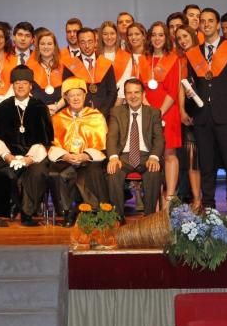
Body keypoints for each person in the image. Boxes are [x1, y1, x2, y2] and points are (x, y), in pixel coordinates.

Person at [184, 8, 227, 214]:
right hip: (203, 117)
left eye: (210, 21)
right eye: (203, 21)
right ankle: (209, 205)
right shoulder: (194, 54)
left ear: (218, 24)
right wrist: (190, 104)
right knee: (207, 165)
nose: (206, 24)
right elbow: (191, 85)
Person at [0, 65, 55, 226]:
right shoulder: (2, 108)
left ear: (31, 85)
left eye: (24, 83)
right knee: (4, 173)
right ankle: (4, 213)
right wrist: (8, 157)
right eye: (17, 83)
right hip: (9, 154)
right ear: (12, 86)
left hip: (34, 156)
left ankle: (27, 213)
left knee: (37, 173)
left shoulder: (40, 108)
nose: (21, 86)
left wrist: (29, 159)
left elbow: (45, 139)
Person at [48, 78, 109, 226]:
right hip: (66, 159)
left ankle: (95, 211)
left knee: (91, 173)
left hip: (89, 159)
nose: (75, 98)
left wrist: (85, 155)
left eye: (79, 94)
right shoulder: (57, 118)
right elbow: (52, 143)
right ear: (66, 98)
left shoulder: (96, 116)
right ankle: (67, 213)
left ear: (84, 96)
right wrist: (66, 156)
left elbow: (101, 143)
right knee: (57, 174)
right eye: (71, 95)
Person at [106, 79, 164, 217]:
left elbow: (159, 138)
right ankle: (118, 220)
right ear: (125, 95)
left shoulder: (154, 112)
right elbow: (112, 137)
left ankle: (149, 219)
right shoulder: (116, 112)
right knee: (113, 172)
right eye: (129, 93)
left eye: (137, 92)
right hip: (124, 157)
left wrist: (154, 157)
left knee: (154, 171)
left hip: (146, 156)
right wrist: (113, 158)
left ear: (143, 94)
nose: (133, 96)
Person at [145, 21, 181, 206]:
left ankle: (170, 197)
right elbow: (139, 88)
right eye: (154, 35)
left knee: (168, 153)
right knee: (153, 155)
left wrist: (159, 112)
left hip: (168, 111)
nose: (157, 38)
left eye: (161, 35)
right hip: (148, 113)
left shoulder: (173, 59)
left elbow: (173, 91)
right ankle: (154, 199)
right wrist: (149, 112)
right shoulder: (144, 59)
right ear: (149, 38)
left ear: (166, 38)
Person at [174, 25, 204, 210]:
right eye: (179, 38)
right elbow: (180, 87)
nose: (183, 40)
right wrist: (183, 111)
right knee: (192, 158)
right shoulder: (181, 60)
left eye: (185, 36)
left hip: (207, 113)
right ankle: (196, 198)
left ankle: (207, 198)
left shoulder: (203, 56)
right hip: (189, 114)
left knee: (207, 159)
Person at [63, 27, 117, 117]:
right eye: (83, 42)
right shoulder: (70, 66)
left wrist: (102, 112)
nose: (87, 46)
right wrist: (81, 112)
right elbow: (67, 93)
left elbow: (112, 92)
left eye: (90, 41)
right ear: (78, 44)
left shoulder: (106, 63)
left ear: (95, 42)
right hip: (79, 116)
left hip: (103, 116)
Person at [28, 28, 66, 114]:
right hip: (38, 112)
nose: (46, 47)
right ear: (38, 46)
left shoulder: (64, 66)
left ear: (54, 46)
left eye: (49, 44)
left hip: (61, 112)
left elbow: (68, 91)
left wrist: (57, 107)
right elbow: (27, 93)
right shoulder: (29, 68)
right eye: (42, 44)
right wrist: (43, 108)